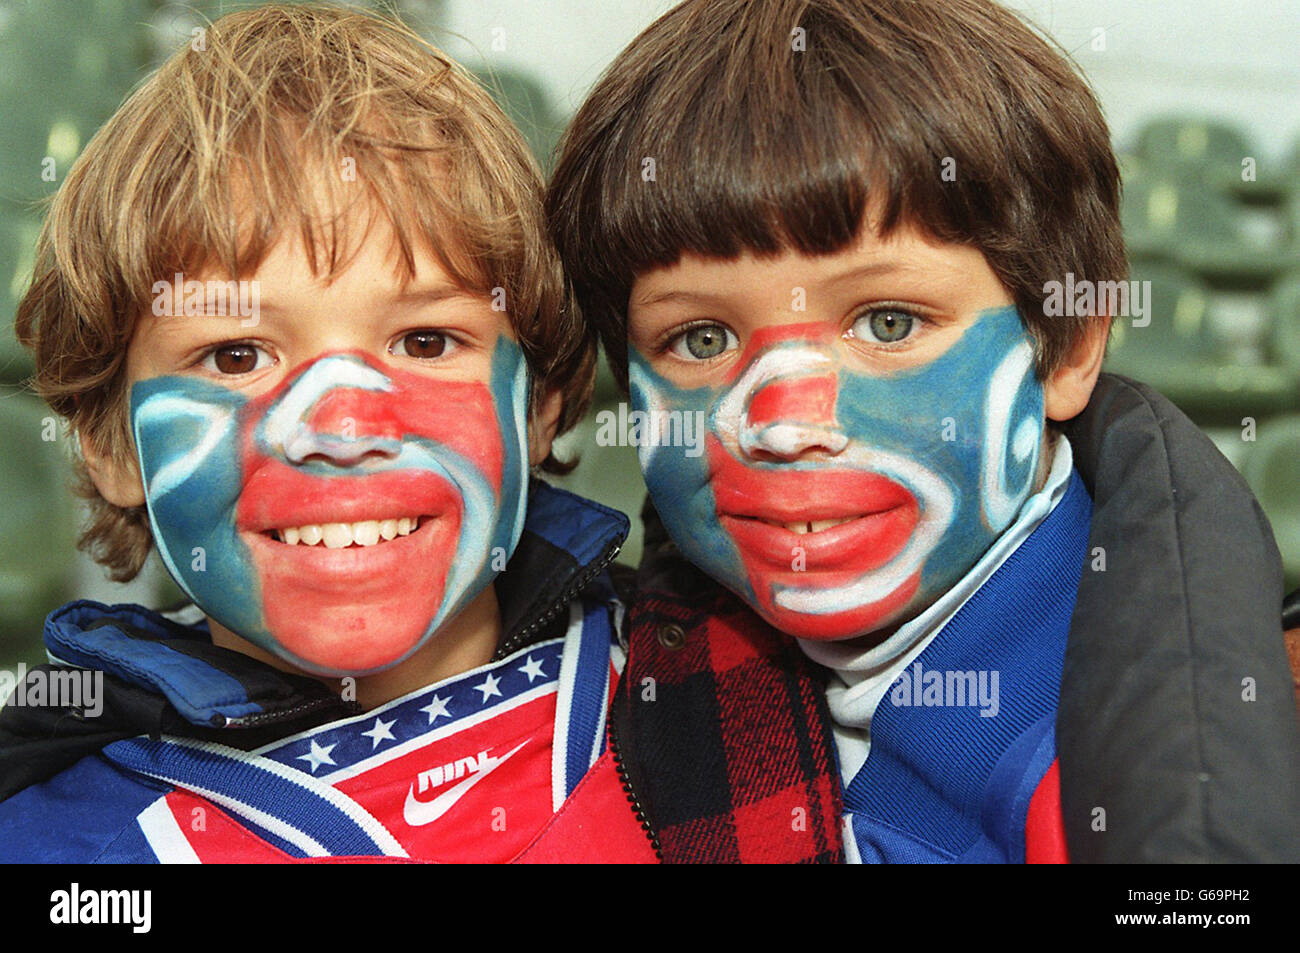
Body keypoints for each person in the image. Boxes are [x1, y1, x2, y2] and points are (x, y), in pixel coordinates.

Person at [547, 0, 1300, 862]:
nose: (786, 429)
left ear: (1068, 346)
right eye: (702, 340)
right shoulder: (595, 690)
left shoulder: (1224, 758)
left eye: (890, 322)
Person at [0, 4, 656, 863]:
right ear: (112, 443)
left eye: (426, 341)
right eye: (235, 354)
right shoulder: (51, 845)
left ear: (543, 402)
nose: (342, 428)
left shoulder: (706, 692)